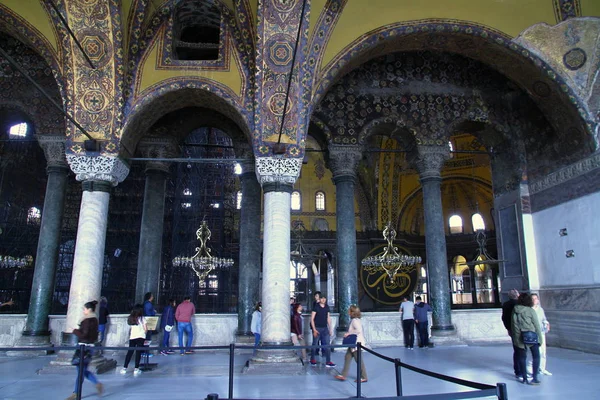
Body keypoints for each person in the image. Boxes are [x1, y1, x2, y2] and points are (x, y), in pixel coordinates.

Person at [66, 300, 103, 400]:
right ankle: (97, 384)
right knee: (83, 370)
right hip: (90, 347)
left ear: (89, 309)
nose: (83, 311)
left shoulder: (87, 320)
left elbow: (84, 334)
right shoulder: (95, 320)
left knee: (81, 371)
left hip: (83, 347)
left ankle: (76, 393)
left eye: (84, 309)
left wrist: (74, 330)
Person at [512, 293, 543, 385]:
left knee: (522, 358)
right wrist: (540, 338)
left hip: (520, 337)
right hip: (532, 336)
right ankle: (534, 377)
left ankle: (524, 378)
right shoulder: (530, 311)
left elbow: (514, 325)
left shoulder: (515, 310)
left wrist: (517, 339)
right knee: (536, 356)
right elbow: (536, 325)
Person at [335, 305, 368, 383]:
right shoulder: (357, 320)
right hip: (354, 344)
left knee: (359, 360)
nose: (348, 312)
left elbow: (358, 330)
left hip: (356, 343)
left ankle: (364, 377)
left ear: (352, 312)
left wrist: (348, 333)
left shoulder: (354, 321)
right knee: (347, 357)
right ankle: (343, 375)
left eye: (349, 310)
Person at [121, 304, 147, 376]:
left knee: (130, 352)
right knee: (138, 353)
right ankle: (136, 368)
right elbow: (145, 329)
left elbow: (130, 328)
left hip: (133, 337)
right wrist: (144, 333)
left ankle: (124, 368)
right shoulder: (142, 318)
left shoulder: (131, 318)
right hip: (141, 337)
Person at [310, 295, 335, 367]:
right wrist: (314, 329)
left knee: (327, 344)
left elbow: (328, 318)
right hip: (317, 328)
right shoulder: (316, 307)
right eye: (322, 298)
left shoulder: (327, 307)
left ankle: (328, 361)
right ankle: (312, 359)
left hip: (325, 328)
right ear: (320, 299)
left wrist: (330, 328)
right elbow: (312, 319)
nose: (323, 300)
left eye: (325, 298)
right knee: (315, 344)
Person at [531, 293, 552, 376]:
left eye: (535, 299)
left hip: (541, 332)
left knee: (543, 351)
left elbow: (544, 319)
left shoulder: (540, 309)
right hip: (533, 333)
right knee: (535, 352)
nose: (534, 300)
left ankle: (542, 368)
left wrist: (547, 324)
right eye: (532, 299)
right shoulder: (529, 310)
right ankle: (532, 369)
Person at [502, 289, 521, 378]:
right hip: (521, 329)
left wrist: (508, 328)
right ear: (518, 295)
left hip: (512, 329)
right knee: (521, 350)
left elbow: (504, 318)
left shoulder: (506, 305)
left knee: (517, 349)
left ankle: (518, 370)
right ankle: (521, 369)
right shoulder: (520, 305)